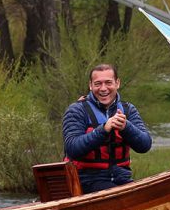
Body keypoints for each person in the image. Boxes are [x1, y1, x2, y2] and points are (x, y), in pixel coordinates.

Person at [62, 64, 152, 193]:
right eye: (98, 84)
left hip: (122, 179)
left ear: (117, 83)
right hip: (86, 181)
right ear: (90, 85)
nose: (103, 88)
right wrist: (103, 129)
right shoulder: (76, 110)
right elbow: (72, 148)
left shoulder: (128, 109)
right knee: (121, 195)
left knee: (144, 195)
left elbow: (145, 145)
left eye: (108, 83)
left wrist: (126, 127)